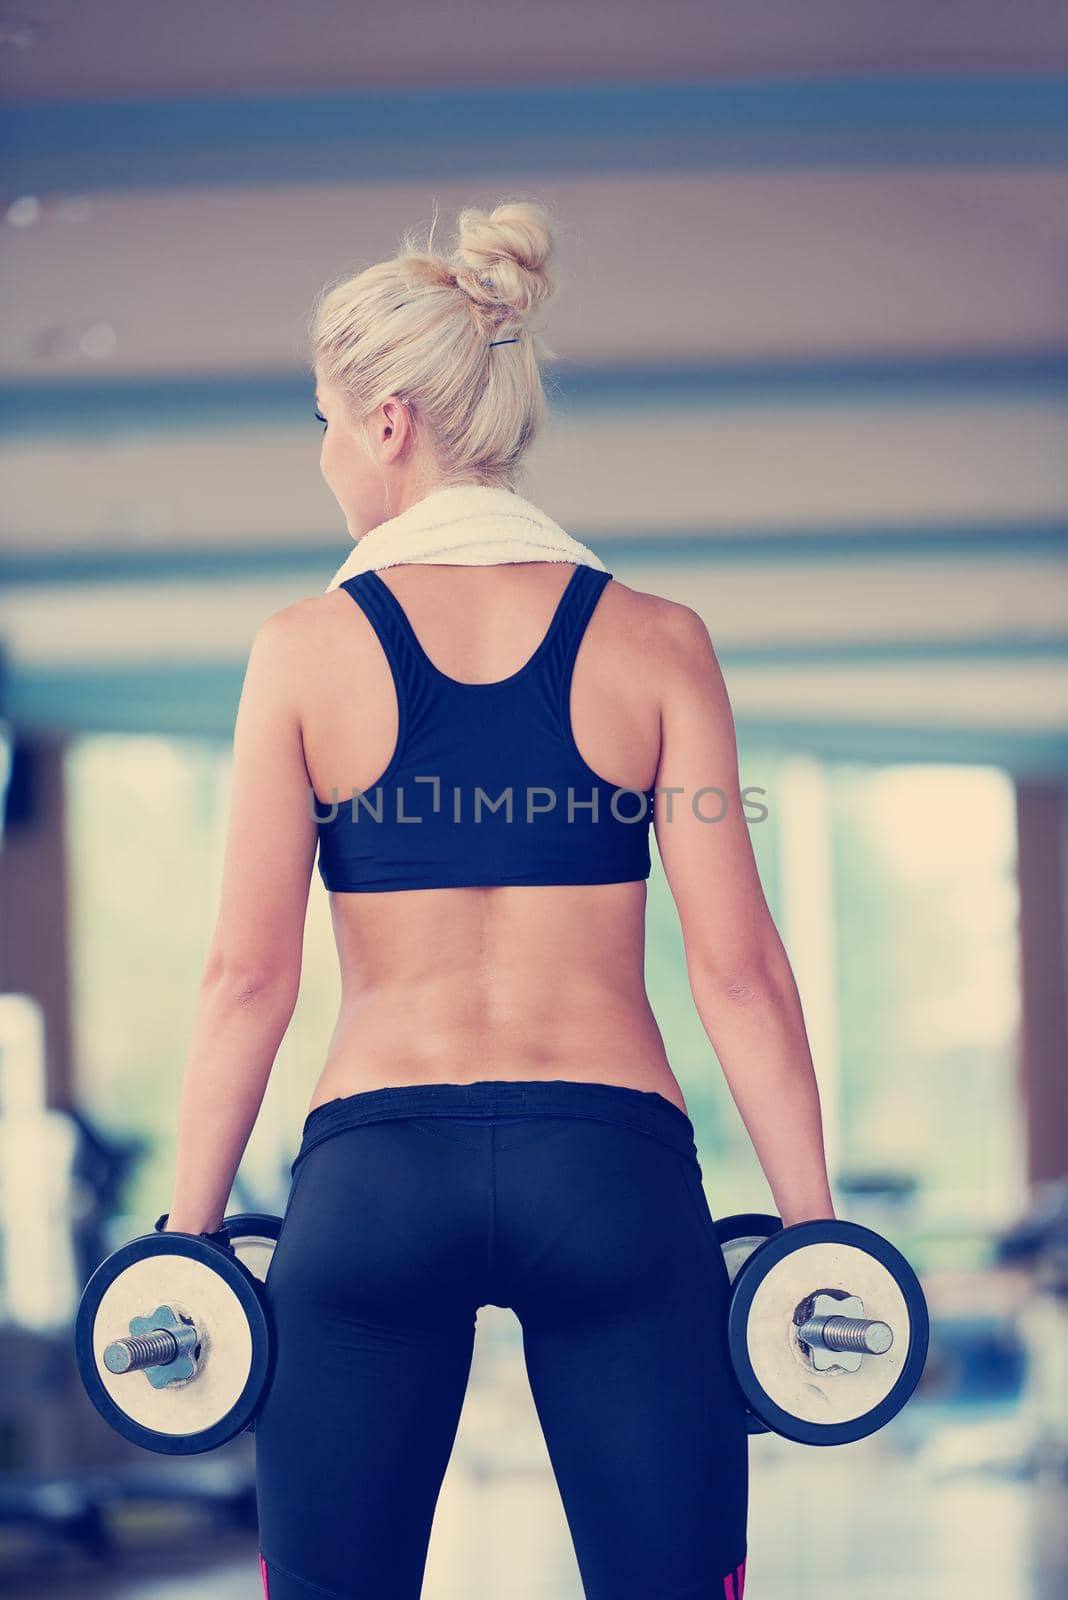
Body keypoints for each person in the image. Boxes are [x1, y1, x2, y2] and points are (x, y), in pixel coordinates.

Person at [162, 199, 835, 1600]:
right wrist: (812, 1229)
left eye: (329, 422)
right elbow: (740, 972)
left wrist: (188, 1231)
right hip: (609, 1169)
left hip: (373, 1177)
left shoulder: (300, 652)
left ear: (392, 423)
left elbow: (246, 979)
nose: (328, 454)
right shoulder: (658, 643)